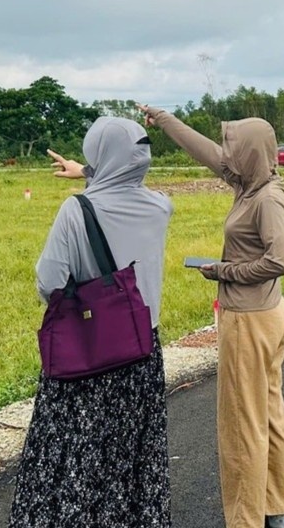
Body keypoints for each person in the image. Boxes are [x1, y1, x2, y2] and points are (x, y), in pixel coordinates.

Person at [9, 117, 173, 528]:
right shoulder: (160, 207)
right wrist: (86, 172)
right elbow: (123, 174)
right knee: (133, 454)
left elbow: (49, 284)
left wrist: (85, 178)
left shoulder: (75, 211)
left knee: (78, 453)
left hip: (92, 352)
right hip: (142, 351)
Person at [140, 105, 284, 528]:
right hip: (266, 315)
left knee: (241, 428)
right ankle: (276, 512)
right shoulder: (250, 182)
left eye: (233, 146)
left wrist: (222, 271)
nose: (226, 154)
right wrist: (164, 119)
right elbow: (205, 151)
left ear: (250, 153)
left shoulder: (264, 199)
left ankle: (245, 521)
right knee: (267, 415)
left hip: (248, 321)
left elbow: (281, 260)